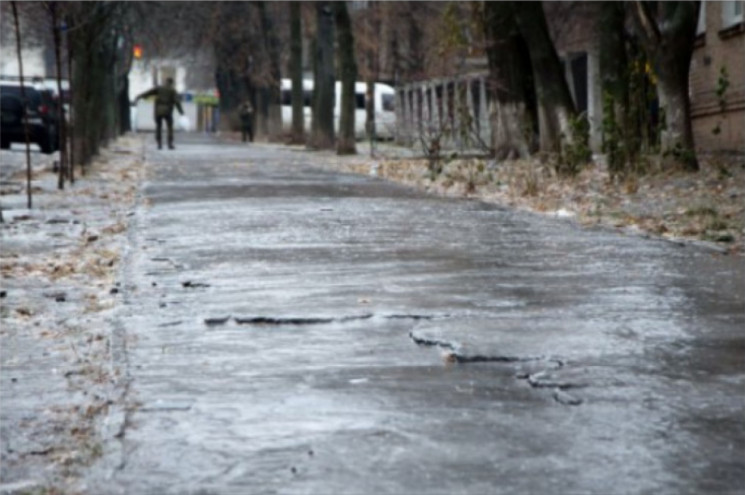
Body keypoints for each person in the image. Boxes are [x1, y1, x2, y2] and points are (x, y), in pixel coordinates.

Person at [134, 78, 184, 149]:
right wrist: (181, 112)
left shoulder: (159, 88)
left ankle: (159, 144)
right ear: (171, 83)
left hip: (158, 111)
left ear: (165, 81)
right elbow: (177, 102)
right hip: (168, 111)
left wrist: (139, 97)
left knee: (158, 127)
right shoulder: (172, 90)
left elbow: (148, 93)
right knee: (169, 127)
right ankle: (170, 144)